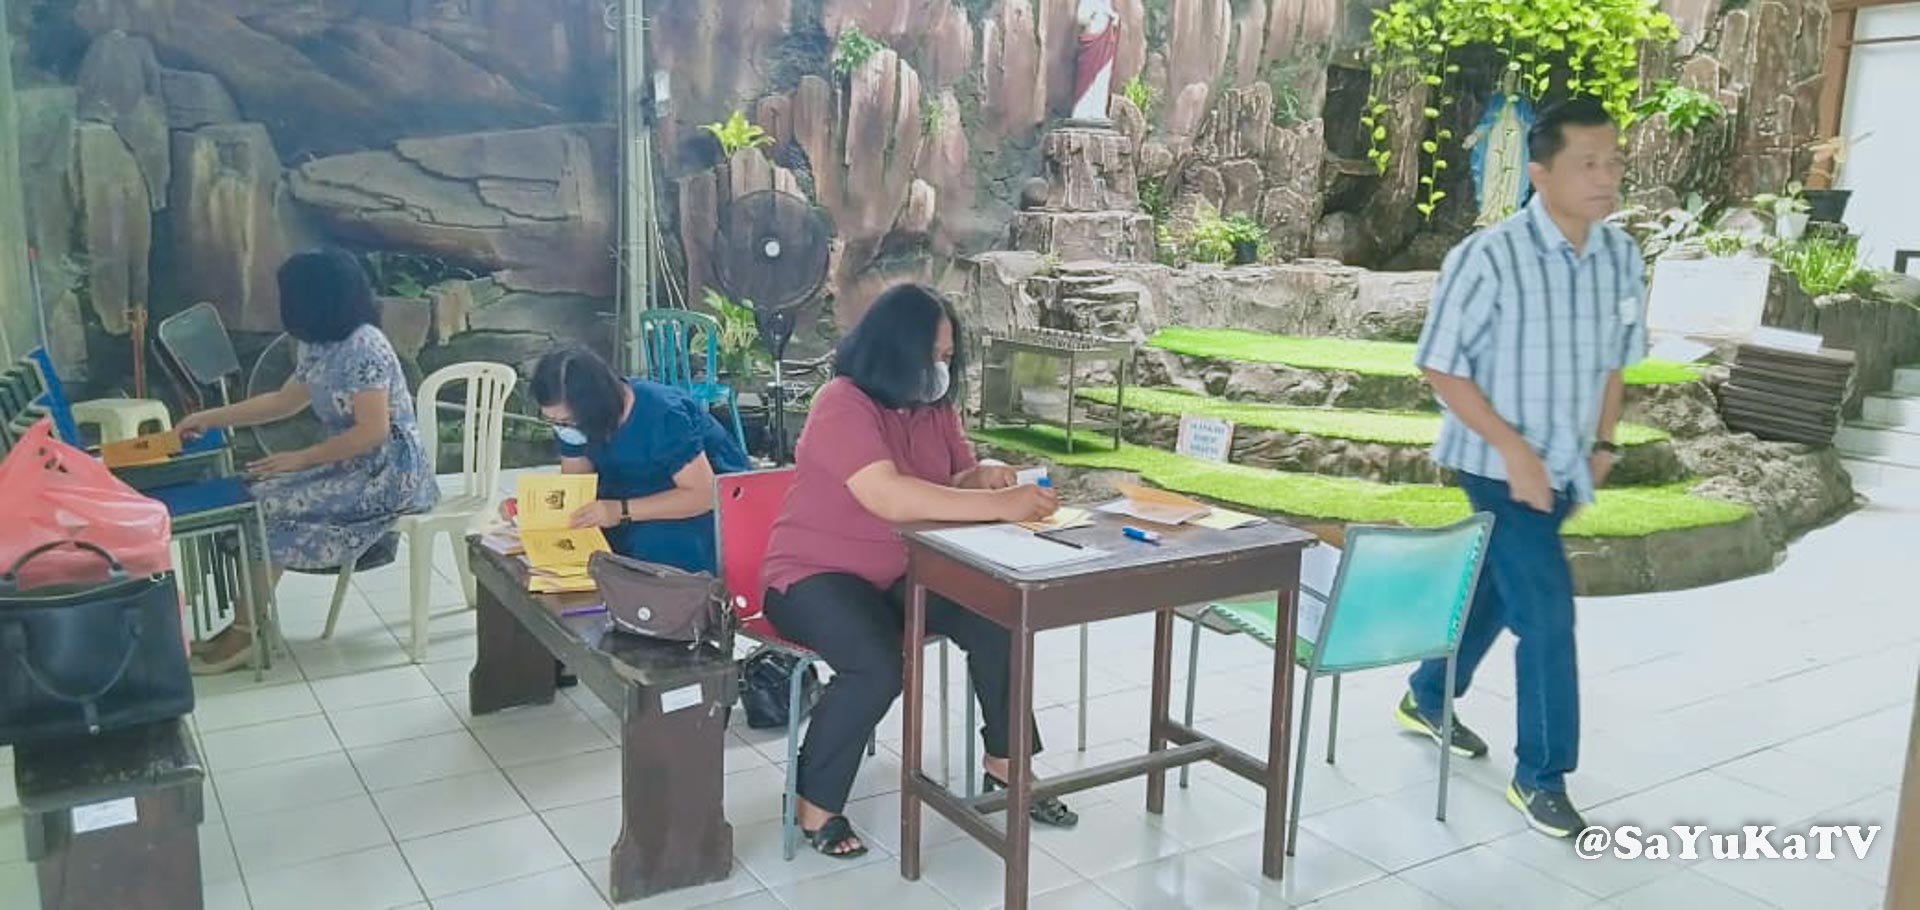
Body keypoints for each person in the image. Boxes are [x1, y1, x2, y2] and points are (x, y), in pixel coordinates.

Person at [1398, 97, 1646, 838]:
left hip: (1567, 462)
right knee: (1546, 611)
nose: (1605, 177)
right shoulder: (1489, 257)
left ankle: (1427, 693)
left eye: (1612, 162)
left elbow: (1616, 361)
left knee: (1500, 593)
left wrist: (1604, 445)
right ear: (1539, 174)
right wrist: (1513, 451)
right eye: (1587, 164)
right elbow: (1440, 366)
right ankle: (1541, 775)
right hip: (1493, 463)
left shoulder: (1620, 257)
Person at [759, 284, 1075, 859]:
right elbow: (888, 495)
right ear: (895, 349)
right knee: (877, 665)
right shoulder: (842, 403)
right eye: (933, 355)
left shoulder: (934, 407)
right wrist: (998, 505)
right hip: (812, 575)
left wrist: (983, 476)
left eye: (948, 357)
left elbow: (950, 482)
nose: (941, 369)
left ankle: (1007, 764)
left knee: (997, 616)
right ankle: (813, 801)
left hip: (904, 570)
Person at [176, 248, 439, 674]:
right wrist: (209, 418)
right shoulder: (318, 344)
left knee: (269, 505)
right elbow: (283, 401)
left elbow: (372, 431)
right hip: (353, 462)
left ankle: (245, 634)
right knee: (255, 493)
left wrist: (302, 459)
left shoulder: (365, 346)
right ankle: (247, 624)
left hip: (388, 473)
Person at [529, 346, 749, 574]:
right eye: (552, 421)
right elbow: (577, 483)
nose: (562, 428)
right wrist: (538, 510)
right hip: (629, 496)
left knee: (655, 547)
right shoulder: (573, 424)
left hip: (698, 508)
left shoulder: (663, 414)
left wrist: (620, 511)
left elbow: (703, 495)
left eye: (566, 421)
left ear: (593, 405)